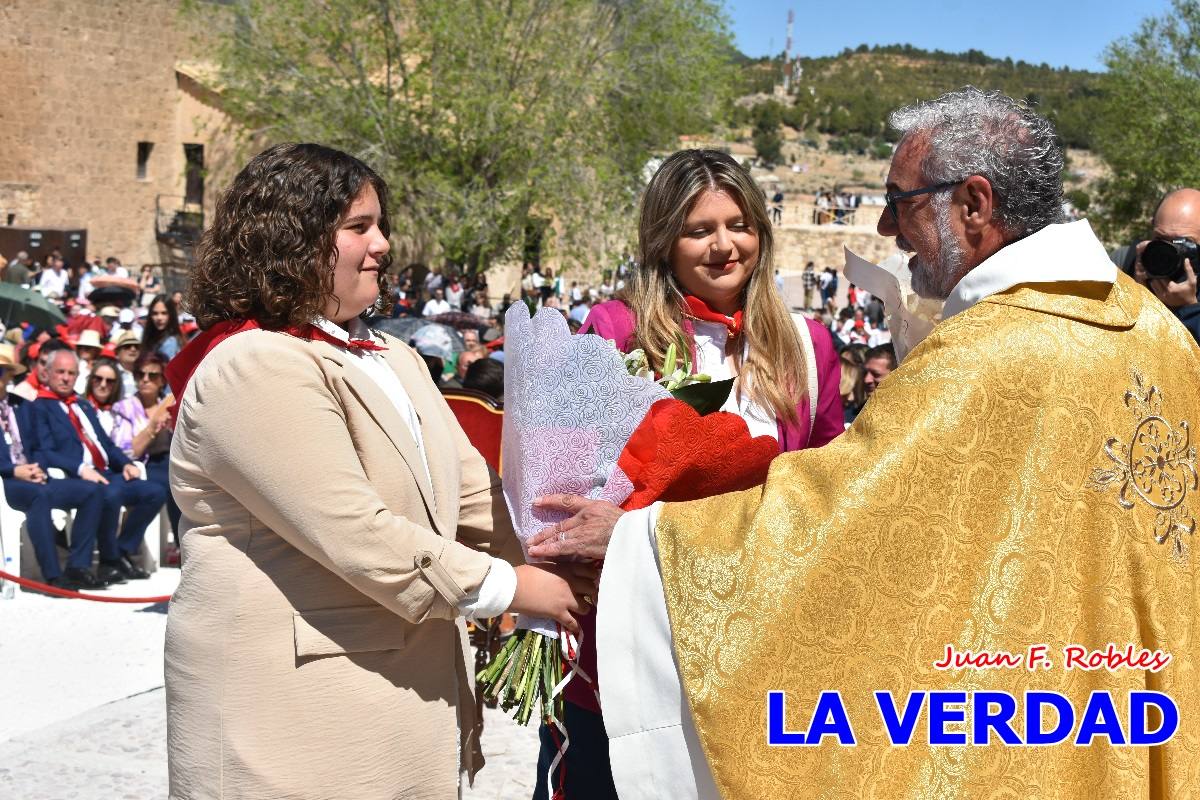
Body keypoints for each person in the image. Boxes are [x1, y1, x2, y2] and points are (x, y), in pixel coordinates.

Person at [534, 88, 1200, 797]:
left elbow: (844, 512)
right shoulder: (1156, 333)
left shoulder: (984, 352)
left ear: (973, 204)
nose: (886, 226)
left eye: (900, 200)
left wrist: (643, 542)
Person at [163, 142, 592, 800]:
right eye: (359, 227)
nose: (383, 244)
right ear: (293, 239)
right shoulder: (253, 363)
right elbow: (355, 532)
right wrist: (513, 588)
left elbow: (472, 494)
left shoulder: (394, 355)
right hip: (295, 713)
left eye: (381, 226)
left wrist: (561, 549)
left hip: (399, 693)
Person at [541, 148, 842, 799]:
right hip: (628, 634)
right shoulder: (613, 333)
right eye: (699, 230)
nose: (724, 246)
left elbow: (831, 491)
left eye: (739, 225)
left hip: (754, 643)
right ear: (664, 241)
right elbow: (558, 488)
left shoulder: (807, 347)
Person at [32, 349, 167, 585]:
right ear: (48, 373)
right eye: (60, 372)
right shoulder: (40, 407)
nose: (65, 378)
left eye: (71, 373)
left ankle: (120, 551)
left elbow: (106, 444)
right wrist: (80, 468)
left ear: (77, 377)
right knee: (110, 494)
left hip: (107, 473)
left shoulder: (83, 406)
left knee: (154, 491)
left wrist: (125, 464)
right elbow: (44, 451)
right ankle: (108, 561)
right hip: (78, 478)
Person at [0, 345, 108, 590]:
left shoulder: (21, 405)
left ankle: (77, 567)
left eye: (1, 372)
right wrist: (13, 471)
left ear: (8, 376)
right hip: (7, 482)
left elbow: (38, 446)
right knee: (38, 497)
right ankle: (52, 576)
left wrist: (36, 467)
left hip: (36, 475)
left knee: (92, 491)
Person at [1116, 188, 1200, 345]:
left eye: (1183, 243)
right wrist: (1131, 292)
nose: (1168, 251)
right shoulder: (1124, 263)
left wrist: (1189, 308)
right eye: (1160, 239)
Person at [110, 352, 179, 538]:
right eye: (140, 375)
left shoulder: (168, 405)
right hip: (140, 465)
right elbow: (128, 451)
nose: (145, 380)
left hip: (168, 462)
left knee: (185, 481)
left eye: (152, 375)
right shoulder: (124, 408)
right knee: (172, 484)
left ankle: (184, 546)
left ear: (162, 381)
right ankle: (125, 546)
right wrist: (152, 428)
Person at [141, 294, 185, 360]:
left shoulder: (171, 341)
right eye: (155, 313)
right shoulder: (149, 337)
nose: (159, 318)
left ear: (171, 314)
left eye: (164, 313)